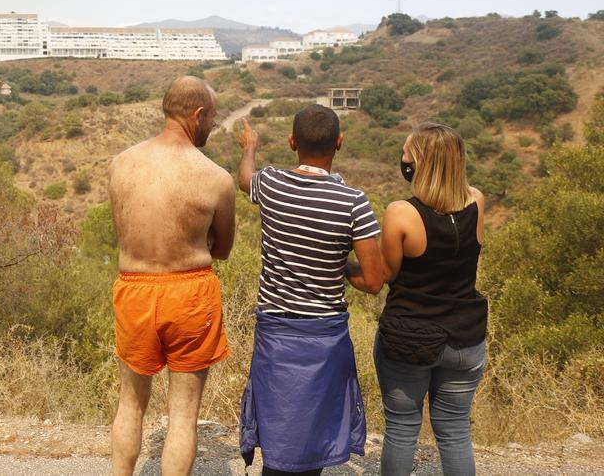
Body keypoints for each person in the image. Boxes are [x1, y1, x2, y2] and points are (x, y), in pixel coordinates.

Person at [236, 106, 384, 476]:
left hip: (276, 334)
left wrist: (250, 147)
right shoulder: (354, 203)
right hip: (324, 338)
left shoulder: (269, 184)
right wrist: (340, 265)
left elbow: (244, 180)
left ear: (291, 143)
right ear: (339, 142)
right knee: (313, 439)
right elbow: (373, 281)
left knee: (279, 432)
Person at [107, 76, 236, 476]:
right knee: (183, 415)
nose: (214, 125)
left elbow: (124, 231)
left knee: (130, 402)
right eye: (212, 117)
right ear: (197, 115)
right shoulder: (216, 177)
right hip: (190, 292)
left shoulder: (121, 164)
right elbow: (224, 249)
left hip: (135, 288)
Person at [375, 123, 488, 476]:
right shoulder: (477, 201)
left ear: (421, 162)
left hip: (411, 336)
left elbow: (386, 273)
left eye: (407, 153)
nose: (403, 160)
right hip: (465, 337)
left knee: (402, 428)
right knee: (455, 432)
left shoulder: (401, 212)